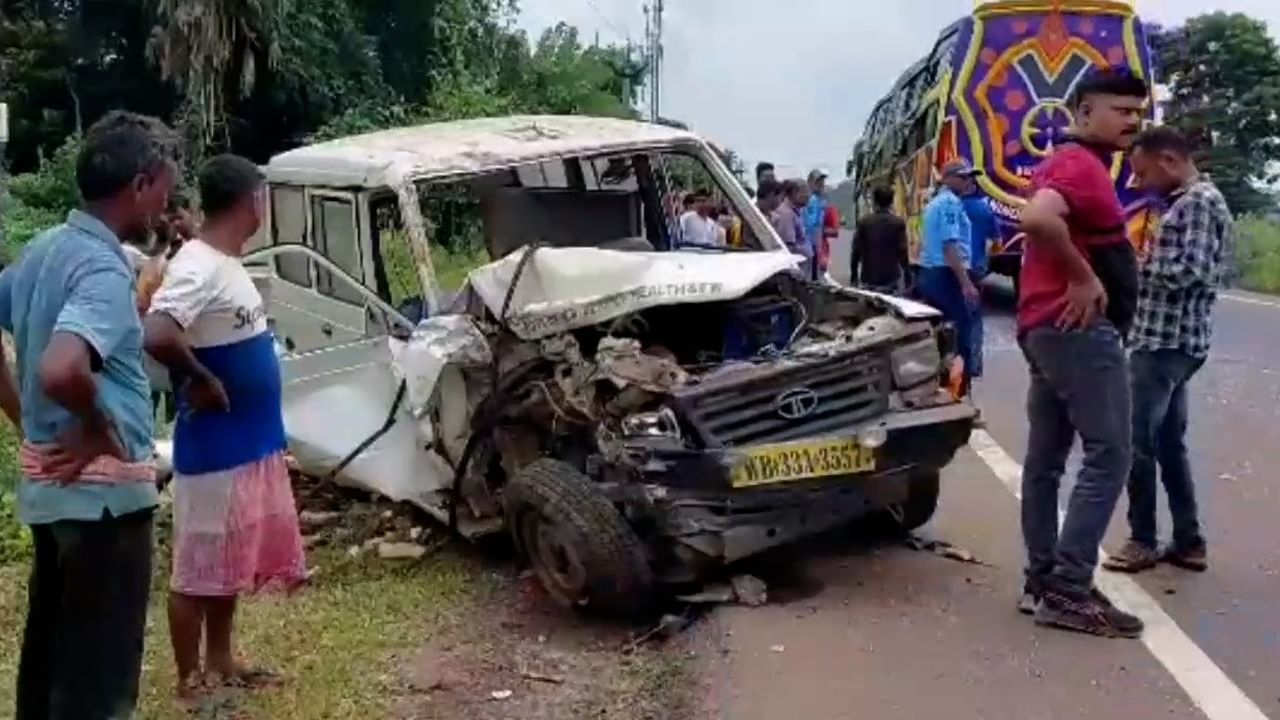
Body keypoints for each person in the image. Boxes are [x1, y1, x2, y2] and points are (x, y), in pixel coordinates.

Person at [0, 111, 178, 719]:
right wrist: (100, 430)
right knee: (97, 686)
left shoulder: (44, 250)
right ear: (140, 184)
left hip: (53, 500)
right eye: (165, 187)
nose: (168, 202)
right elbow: (62, 367)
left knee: (53, 671)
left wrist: (25, 419)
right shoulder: (102, 268)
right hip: (104, 507)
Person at [144, 154, 308, 698]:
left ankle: (221, 659)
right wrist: (201, 379)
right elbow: (159, 331)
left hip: (248, 442)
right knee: (196, 568)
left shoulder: (220, 259)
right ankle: (190, 682)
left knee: (226, 561)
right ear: (251, 201)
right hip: (215, 447)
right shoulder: (200, 265)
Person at [1015, 68, 1147, 638]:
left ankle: (1042, 580)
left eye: (1138, 113)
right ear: (1084, 109)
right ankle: (1068, 589)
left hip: (1045, 329)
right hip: (1075, 330)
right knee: (1111, 452)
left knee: (1046, 461)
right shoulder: (1077, 163)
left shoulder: (1074, 163)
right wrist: (1083, 277)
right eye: (1120, 110)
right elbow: (1038, 219)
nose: (1132, 122)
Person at [1103, 126, 1231, 575]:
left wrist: (1132, 267)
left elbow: (1189, 272)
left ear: (1170, 161)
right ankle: (1188, 540)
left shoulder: (1196, 202)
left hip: (1164, 342)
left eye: (1143, 173)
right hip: (1176, 341)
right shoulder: (1194, 201)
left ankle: (1142, 539)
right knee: (1167, 443)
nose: (1139, 184)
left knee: (1136, 443)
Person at [917, 160, 980, 392]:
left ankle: (942, 387)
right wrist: (965, 283)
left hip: (933, 274)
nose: (969, 182)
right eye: (964, 177)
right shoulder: (949, 204)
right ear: (949, 178)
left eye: (970, 177)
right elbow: (950, 246)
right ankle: (959, 392)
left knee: (942, 336)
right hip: (945, 276)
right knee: (960, 337)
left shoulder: (938, 203)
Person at [962, 182, 999, 380]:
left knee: (956, 315)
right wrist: (986, 260)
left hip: (954, 268)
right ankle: (975, 365)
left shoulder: (953, 205)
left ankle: (958, 363)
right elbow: (996, 242)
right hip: (976, 268)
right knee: (975, 317)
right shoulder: (984, 209)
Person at [851, 186, 910, 295]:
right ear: (891, 203)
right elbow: (903, 252)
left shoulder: (864, 222)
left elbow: (856, 251)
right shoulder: (898, 223)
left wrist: (854, 276)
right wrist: (908, 277)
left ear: (874, 202)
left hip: (869, 280)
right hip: (890, 280)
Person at [804, 169, 841, 276]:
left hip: (820, 253)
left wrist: (818, 230)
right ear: (809, 183)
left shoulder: (826, 205)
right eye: (817, 181)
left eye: (822, 181)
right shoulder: (801, 203)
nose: (820, 184)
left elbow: (835, 231)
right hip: (803, 252)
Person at [773, 180, 814, 277]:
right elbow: (788, 247)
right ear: (793, 194)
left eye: (808, 192)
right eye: (804, 192)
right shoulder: (787, 214)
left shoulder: (798, 212)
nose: (808, 195)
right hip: (795, 272)